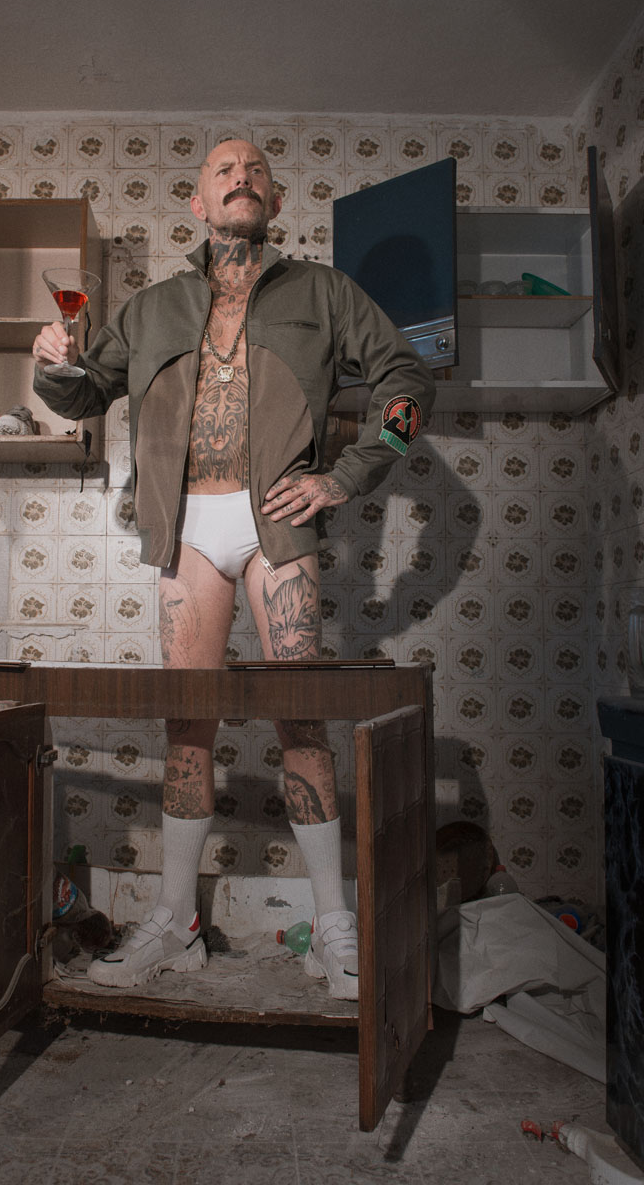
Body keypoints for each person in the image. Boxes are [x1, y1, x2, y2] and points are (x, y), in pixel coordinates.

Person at [32, 139, 435, 1001]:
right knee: (187, 725)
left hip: (276, 529)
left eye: (254, 169)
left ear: (275, 201)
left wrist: (348, 474)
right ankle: (176, 921)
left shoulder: (324, 292)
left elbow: (408, 383)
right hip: (186, 531)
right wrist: (51, 363)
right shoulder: (151, 307)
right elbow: (82, 393)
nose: (239, 177)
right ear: (198, 203)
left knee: (303, 720)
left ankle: (333, 927)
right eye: (222, 170)